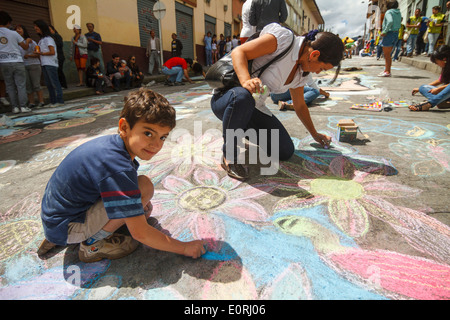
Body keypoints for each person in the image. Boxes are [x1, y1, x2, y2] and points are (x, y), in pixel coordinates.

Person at [37, 88, 206, 263]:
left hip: (58, 219)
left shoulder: (111, 147)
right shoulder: (117, 166)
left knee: (140, 190)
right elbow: (140, 233)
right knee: (143, 188)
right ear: (124, 127)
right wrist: (184, 247)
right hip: (67, 226)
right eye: (148, 133)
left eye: (163, 137)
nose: (156, 145)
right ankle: (91, 244)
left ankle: (60, 235)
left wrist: (133, 209)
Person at [210, 24, 344, 181]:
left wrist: (314, 134)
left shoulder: (301, 73)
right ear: (314, 55)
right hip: (228, 99)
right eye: (321, 68)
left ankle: (237, 129)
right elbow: (239, 51)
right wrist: (246, 81)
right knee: (243, 97)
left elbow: (300, 105)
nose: (318, 72)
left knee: (284, 151)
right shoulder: (284, 39)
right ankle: (230, 157)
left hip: (254, 107)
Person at [0, 11, 31, 114]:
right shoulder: (14, 33)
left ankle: (15, 107)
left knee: (9, 85)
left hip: (3, 62)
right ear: (8, 22)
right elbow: (25, 47)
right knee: (20, 85)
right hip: (17, 61)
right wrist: (27, 41)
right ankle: (23, 106)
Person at [409, 45, 450, 111]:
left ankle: (429, 104)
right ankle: (440, 101)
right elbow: (440, 80)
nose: (436, 64)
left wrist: (439, 89)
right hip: (446, 95)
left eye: (436, 61)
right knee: (423, 87)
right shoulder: (446, 68)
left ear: (444, 59)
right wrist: (420, 89)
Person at [34, 20, 64, 107]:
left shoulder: (48, 39)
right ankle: (53, 101)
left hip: (50, 64)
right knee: (49, 84)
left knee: (54, 82)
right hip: (44, 63)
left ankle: (59, 100)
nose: (35, 28)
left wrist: (41, 53)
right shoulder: (41, 40)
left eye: (37, 26)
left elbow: (52, 52)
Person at [15, 25, 45, 108]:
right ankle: (31, 102)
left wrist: (29, 56)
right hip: (23, 65)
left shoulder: (31, 41)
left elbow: (37, 54)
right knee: (28, 86)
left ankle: (41, 101)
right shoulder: (15, 43)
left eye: (19, 29)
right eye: (16, 29)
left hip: (33, 65)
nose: (18, 31)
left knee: (36, 84)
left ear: (24, 30)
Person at [378, 0, 401, 77]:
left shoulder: (389, 12)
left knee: (386, 54)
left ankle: (387, 71)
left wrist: (385, 31)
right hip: (396, 33)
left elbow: (390, 21)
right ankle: (387, 70)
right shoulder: (398, 12)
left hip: (389, 33)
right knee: (388, 54)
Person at [48, 25, 68, 90]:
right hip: (54, 57)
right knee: (56, 71)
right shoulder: (49, 38)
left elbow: (60, 44)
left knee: (59, 70)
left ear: (53, 29)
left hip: (59, 56)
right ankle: (58, 84)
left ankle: (63, 85)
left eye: (50, 29)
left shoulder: (57, 36)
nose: (49, 31)